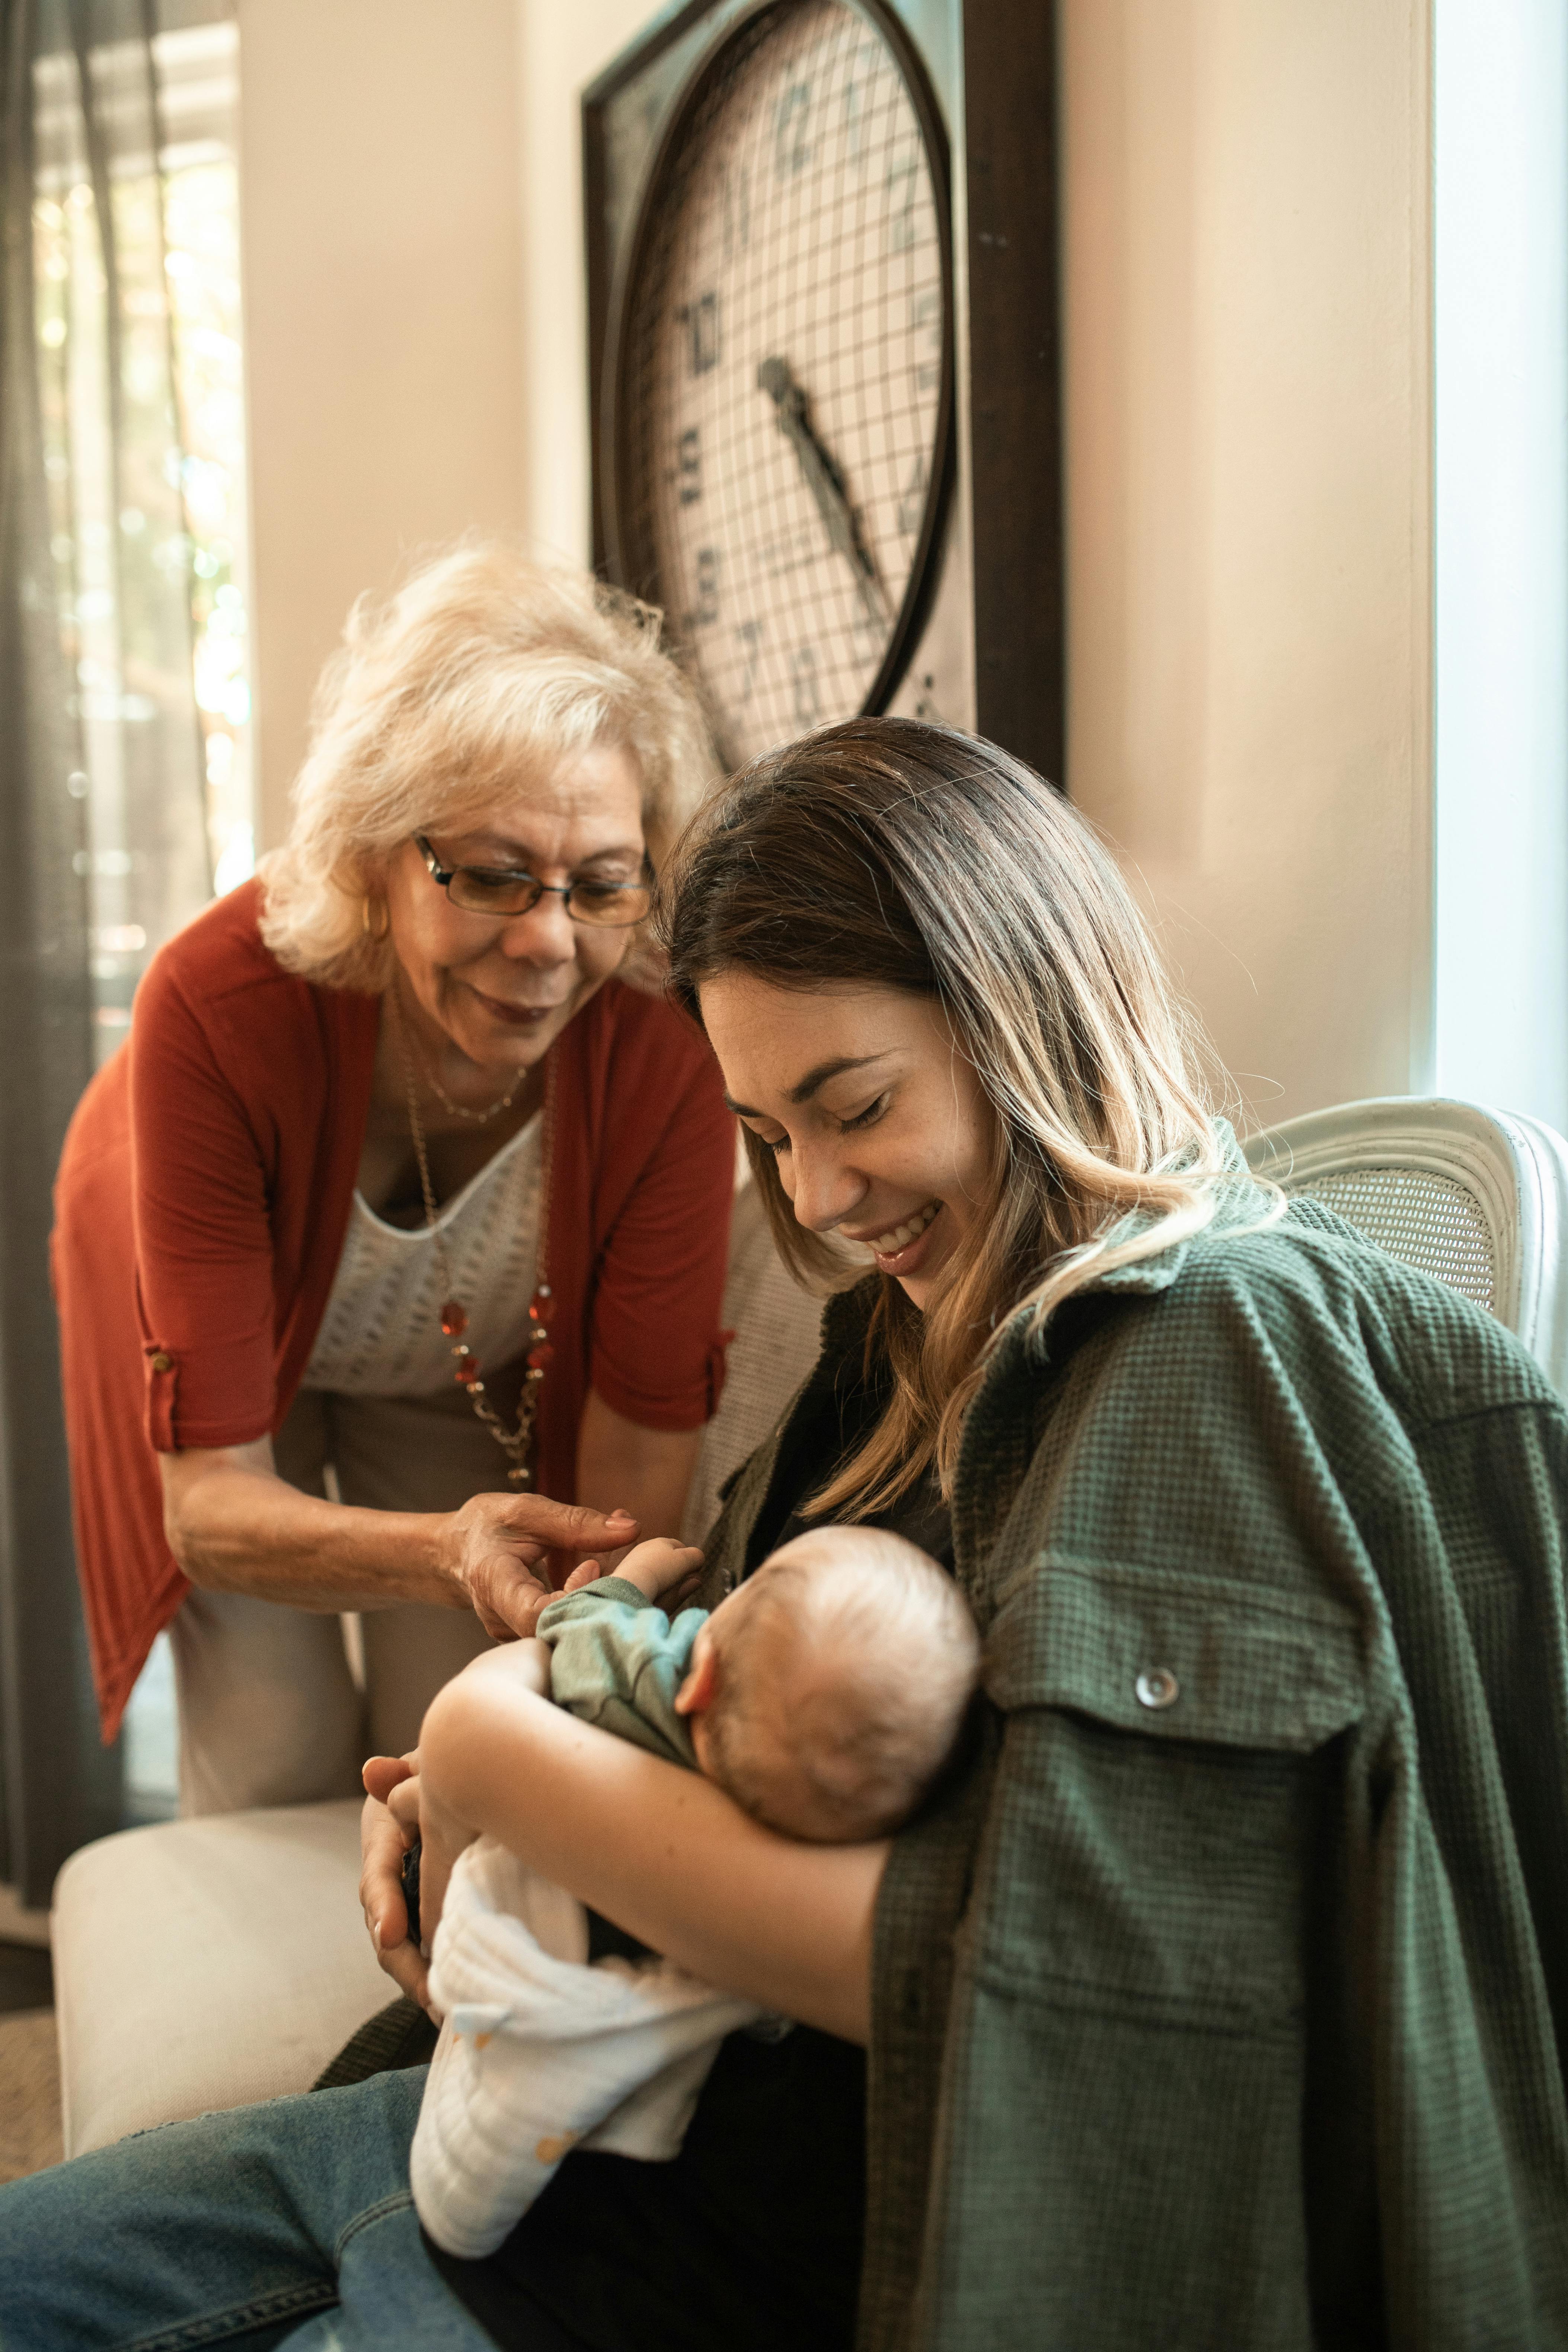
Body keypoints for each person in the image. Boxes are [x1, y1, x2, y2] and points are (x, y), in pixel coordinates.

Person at [7, 717, 1568, 2351]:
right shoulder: (897, 1350)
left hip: (680, 2271)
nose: (814, 1198)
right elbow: (681, 1657)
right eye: (767, 1133)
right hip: (490, 2139)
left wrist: (481, 1744)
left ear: (1018, 1007)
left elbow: (1020, 1976)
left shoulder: (1206, 1342)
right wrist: (473, 1817)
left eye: (853, 1104)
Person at [51, 542, 738, 1810]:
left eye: (599, 884)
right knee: (274, 1744)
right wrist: (446, 1548)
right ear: (375, 855)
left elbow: (632, 1488)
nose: (545, 942)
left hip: (454, 1367)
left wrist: (561, 1709)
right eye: (488, 874)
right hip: (219, 1340)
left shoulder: (666, 1042)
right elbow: (210, 1506)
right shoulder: (216, 1004)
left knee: (469, 1720)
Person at [410, 1526, 979, 2260]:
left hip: (537, 1915)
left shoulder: (652, 1675)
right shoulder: (838, 1824)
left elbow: (575, 1624)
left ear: (702, 1673)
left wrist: (639, 1576)